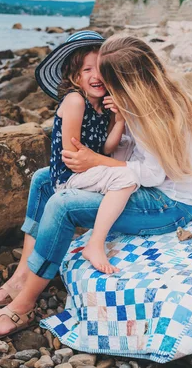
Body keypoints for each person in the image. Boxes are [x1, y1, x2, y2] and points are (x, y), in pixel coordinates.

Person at [0, 35, 192, 339]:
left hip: (170, 204)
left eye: (108, 76)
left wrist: (97, 160)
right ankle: (21, 276)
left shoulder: (152, 111)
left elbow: (150, 175)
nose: (100, 80)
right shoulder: (132, 102)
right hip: (149, 186)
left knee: (63, 205)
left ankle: (24, 304)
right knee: (45, 179)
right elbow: (126, 153)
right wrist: (112, 135)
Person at [46, 31, 139, 274]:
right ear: (74, 76)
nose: (96, 75)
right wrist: (106, 164)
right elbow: (73, 155)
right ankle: (95, 244)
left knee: (125, 177)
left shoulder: (104, 105)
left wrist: (119, 120)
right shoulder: (75, 101)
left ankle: (97, 237)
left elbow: (106, 148)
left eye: (100, 69)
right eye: (87, 70)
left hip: (88, 170)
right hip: (69, 177)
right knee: (127, 177)